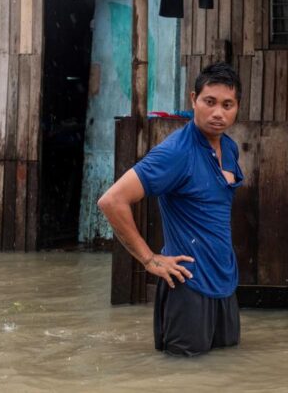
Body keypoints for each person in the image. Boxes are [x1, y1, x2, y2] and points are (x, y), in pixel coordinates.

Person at [97, 62, 244, 357]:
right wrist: (150, 260)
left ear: (237, 107)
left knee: (226, 370)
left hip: (224, 281)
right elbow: (112, 201)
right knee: (182, 377)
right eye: (209, 102)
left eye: (227, 105)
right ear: (193, 100)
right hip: (188, 284)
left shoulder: (228, 148)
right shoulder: (176, 152)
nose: (218, 113)